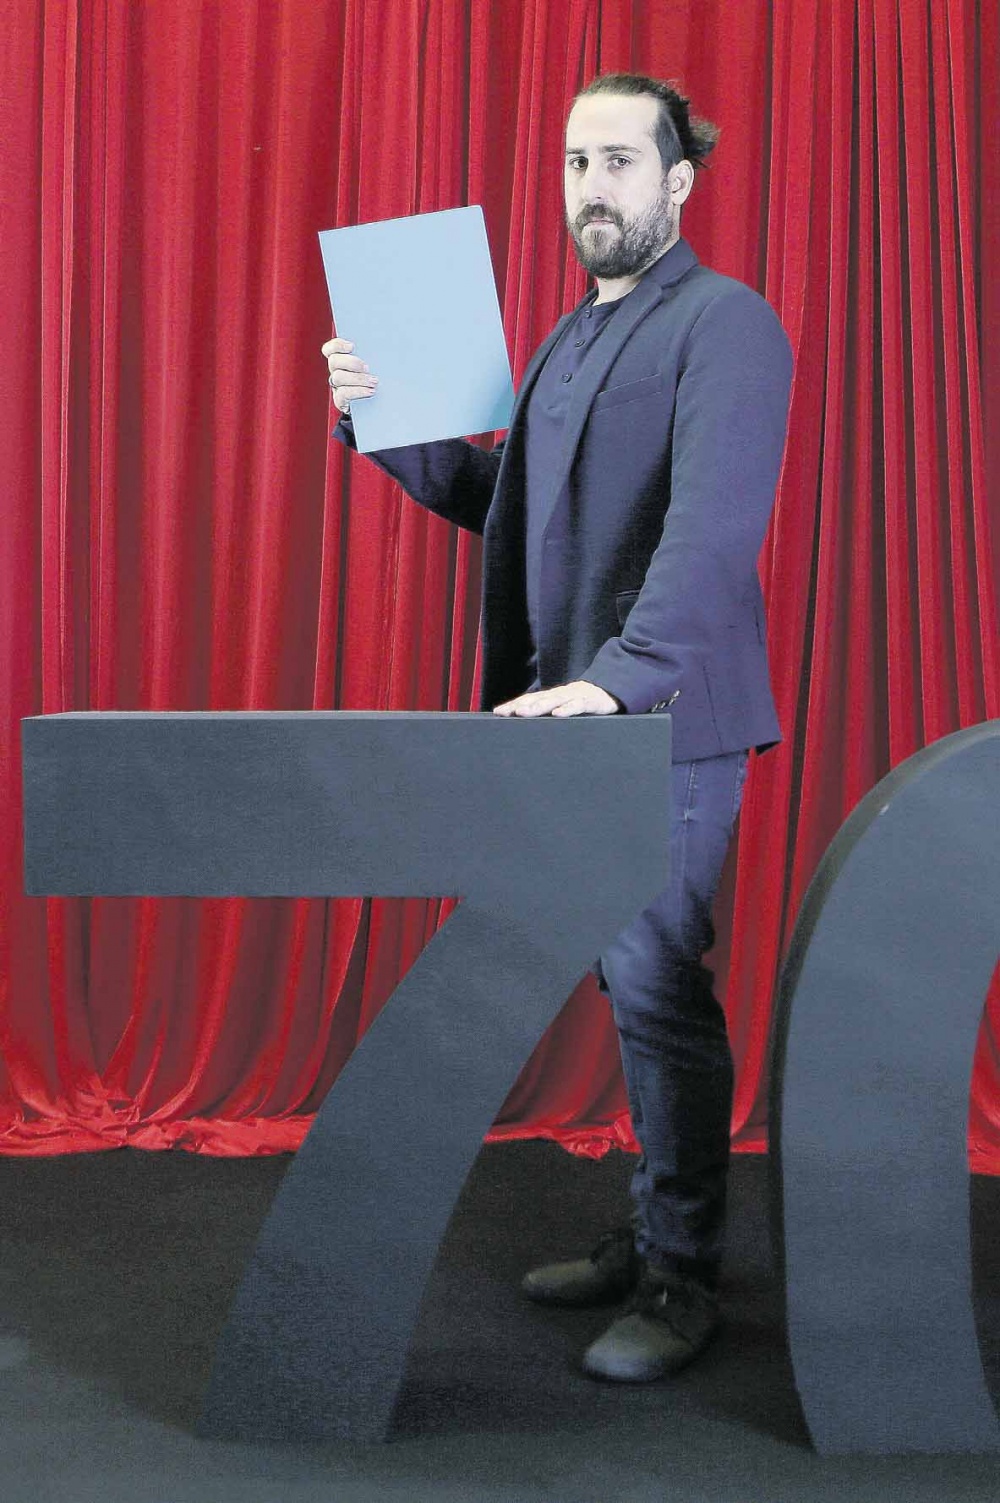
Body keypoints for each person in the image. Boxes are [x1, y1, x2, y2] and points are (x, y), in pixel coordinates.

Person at [323, 72, 792, 1384]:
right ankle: (653, 1237)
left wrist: (618, 682)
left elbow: (712, 533)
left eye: (621, 161)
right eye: (578, 162)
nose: (594, 185)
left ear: (677, 181)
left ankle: (684, 1278)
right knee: (622, 983)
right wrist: (384, 420)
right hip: (568, 717)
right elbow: (506, 505)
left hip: (661, 719)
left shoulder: (729, 324)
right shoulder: (560, 342)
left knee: (655, 984)